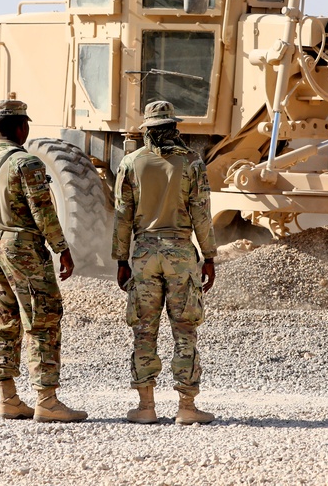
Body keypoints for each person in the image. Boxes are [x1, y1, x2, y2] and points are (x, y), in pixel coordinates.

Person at [0, 99, 88, 423]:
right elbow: (44, 211)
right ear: (22, 127)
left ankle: (8, 398)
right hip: (23, 247)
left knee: (4, 320)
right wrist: (61, 248)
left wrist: (1, 237)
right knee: (43, 319)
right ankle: (47, 401)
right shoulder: (27, 163)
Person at [112, 100, 217, 425]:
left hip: (144, 255)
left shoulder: (130, 163)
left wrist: (121, 259)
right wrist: (210, 257)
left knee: (144, 332)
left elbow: (122, 218)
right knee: (184, 332)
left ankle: (146, 407)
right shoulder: (191, 163)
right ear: (174, 128)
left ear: (148, 131)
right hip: (181, 255)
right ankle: (187, 407)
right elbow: (201, 213)